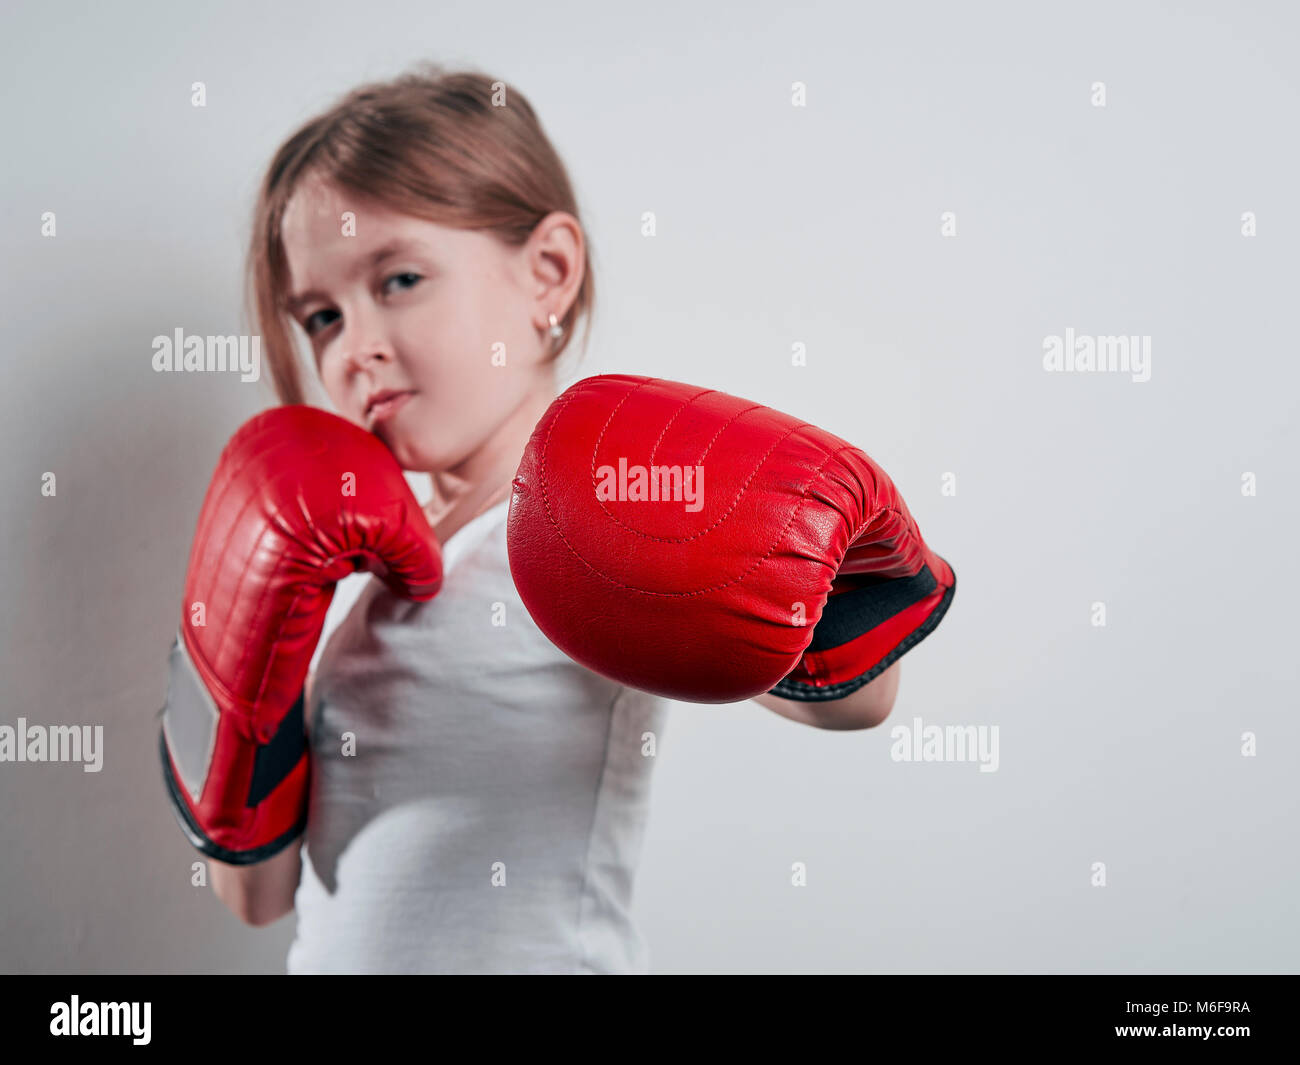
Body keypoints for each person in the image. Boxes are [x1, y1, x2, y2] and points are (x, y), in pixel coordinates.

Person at [160, 64, 940, 975]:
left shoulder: (588, 522)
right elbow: (256, 895)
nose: (357, 345)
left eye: (401, 278)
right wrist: (250, 651)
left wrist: (816, 564)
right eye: (322, 316)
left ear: (548, 275)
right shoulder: (342, 563)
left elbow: (857, 693)